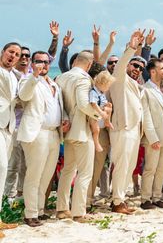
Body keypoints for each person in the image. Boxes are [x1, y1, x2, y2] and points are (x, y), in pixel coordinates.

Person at [18, 52, 68, 227]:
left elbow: (58, 107)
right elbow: (24, 96)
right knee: (34, 175)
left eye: (46, 62)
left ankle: (39, 210)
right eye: (39, 61)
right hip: (36, 133)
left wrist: (65, 120)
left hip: (54, 134)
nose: (43, 65)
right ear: (32, 63)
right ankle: (30, 214)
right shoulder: (28, 80)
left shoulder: (55, 84)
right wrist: (34, 75)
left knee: (46, 176)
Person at [56, 50, 101, 222]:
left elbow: (60, 104)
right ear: (89, 65)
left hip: (67, 131)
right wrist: (99, 115)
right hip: (82, 131)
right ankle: (79, 212)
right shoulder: (83, 79)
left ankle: (62, 209)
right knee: (84, 173)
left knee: (68, 170)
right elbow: (83, 104)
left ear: (75, 62)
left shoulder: (61, 77)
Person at [109, 31, 145, 214]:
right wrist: (131, 48)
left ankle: (120, 198)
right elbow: (121, 66)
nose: (137, 69)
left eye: (140, 67)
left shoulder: (137, 85)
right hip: (122, 128)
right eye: (134, 65)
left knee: (129, 167)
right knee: (122, 166)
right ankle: (116, 201)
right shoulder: (119, 79)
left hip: (134, 130)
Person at [140, 58, 163, 209]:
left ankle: (157, 196)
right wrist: (152, 137)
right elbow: (146, 116)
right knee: (150, 169)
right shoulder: (145, 90)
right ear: (153, 72)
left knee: (161, 170)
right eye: (161, 69)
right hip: (155, 136)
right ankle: (145, 199)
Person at [0, 42, 21, 234]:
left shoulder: (15, 77)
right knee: (1, 168)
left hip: (8, 127)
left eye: (17, 54)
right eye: (10, 52)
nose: (13, 56)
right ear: (3, 52)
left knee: (2, 172)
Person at [89, 71, 114, 153]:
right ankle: (96, 143)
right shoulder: (94, 92)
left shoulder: (101, 92)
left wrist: (107, 105)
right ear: (102, 84)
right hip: (94, 114)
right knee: (96, 130)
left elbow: (103, 101)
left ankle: (107, 122)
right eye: (108, 86)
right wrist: (101, 112)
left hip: (101, 111)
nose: (108, 89)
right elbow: (93, 104)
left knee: (110, 106)